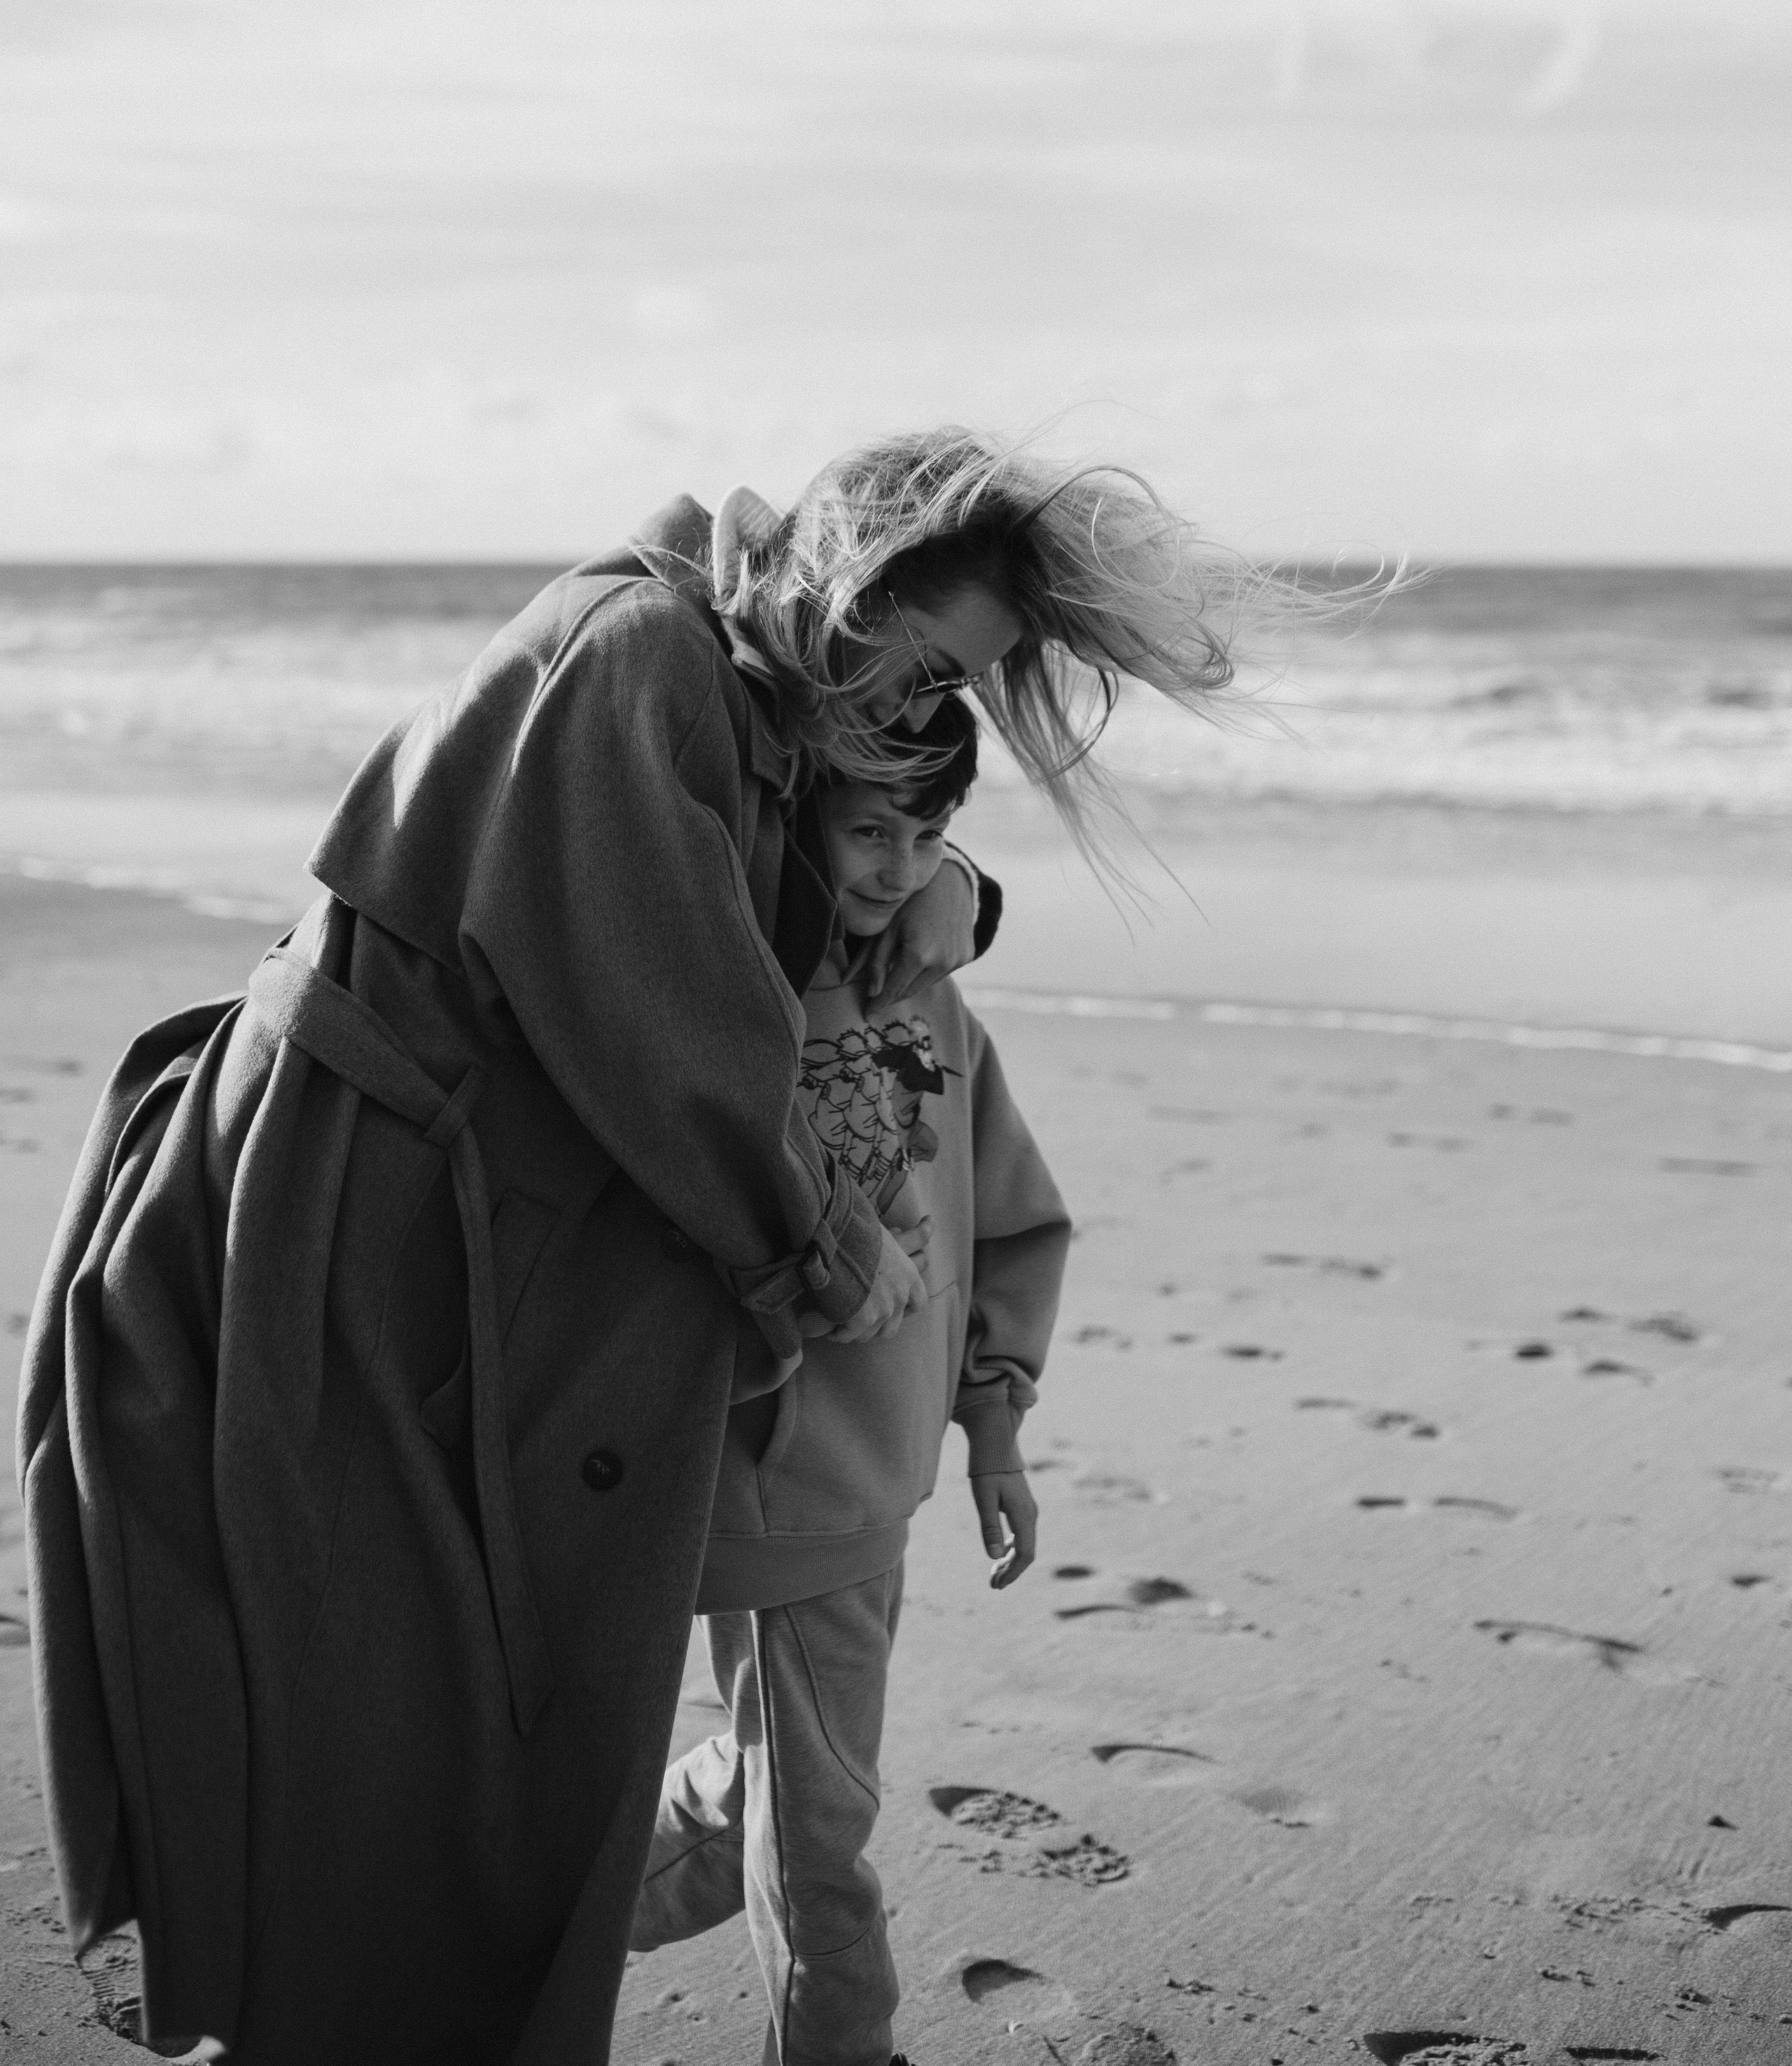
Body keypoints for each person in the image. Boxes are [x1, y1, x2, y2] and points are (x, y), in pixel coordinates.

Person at [19, 428, 1254, 2066]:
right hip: (351, 1193)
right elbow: (669, 1019)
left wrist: (933, 909)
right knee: (387, 1687)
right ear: (853, 574)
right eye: (922, 660)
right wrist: (814, 1248)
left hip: (445, 1197)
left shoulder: (738, 684)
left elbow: (772, 956)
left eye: (951, 689)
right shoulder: (644, 653)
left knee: (456, 1707)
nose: (912, 710)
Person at [630, 693, 1070, 2066]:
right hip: (757, 1476)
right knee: (818, 1839)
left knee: (782, 1792)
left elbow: (1011, 1220)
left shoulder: (942, 1009)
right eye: (866, 826)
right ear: (796, 822)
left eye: (925, 831)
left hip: (879, 1480)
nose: (893, 861)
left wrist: (994, 1428)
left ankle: (495, 1925)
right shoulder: (732, 999)